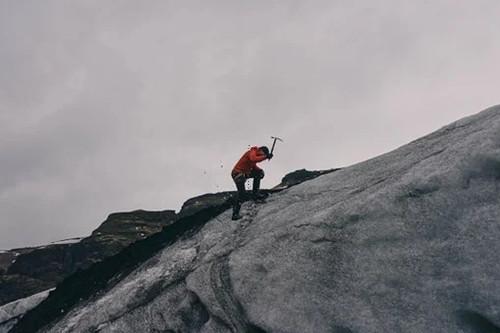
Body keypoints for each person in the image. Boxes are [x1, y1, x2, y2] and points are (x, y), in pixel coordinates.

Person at [231, 146, 273, 220]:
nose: (261, 156)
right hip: (237, 174)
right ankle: (235, 214)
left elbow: (254, 166)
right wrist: (266, 156)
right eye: (262, 154)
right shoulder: (252, 152)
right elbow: (253, 158)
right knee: (242, 195)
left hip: (244, 174)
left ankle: (255, 195)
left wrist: (261, 170)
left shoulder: (255, 156)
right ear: (260, 150)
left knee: (259, 173)